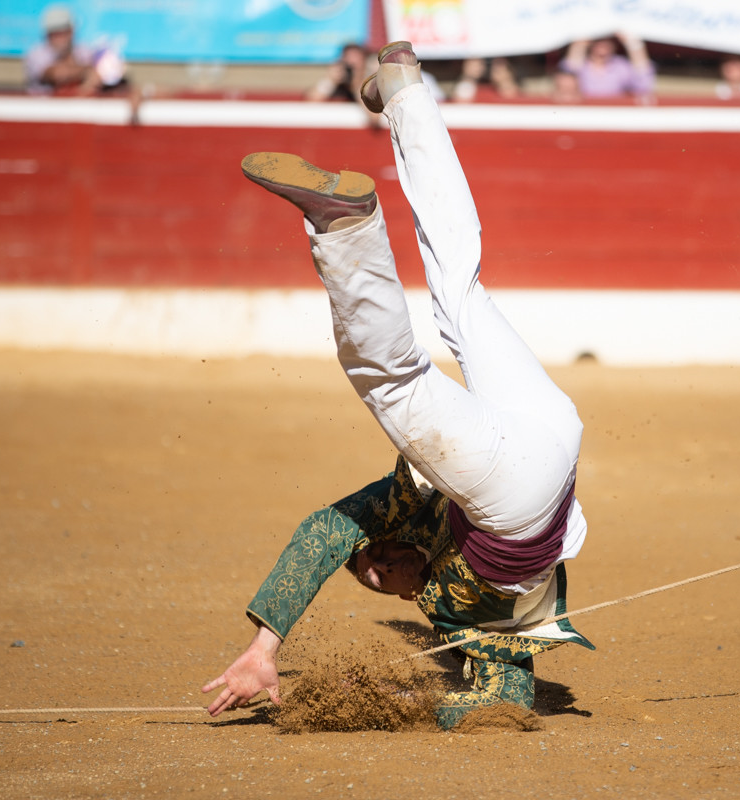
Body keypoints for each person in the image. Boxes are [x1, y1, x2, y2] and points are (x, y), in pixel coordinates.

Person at [202, 41, 592, 731]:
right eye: (375, 576)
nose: (378, 575)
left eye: (371, 565)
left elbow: (325, 531)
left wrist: (267, 648)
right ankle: (407, 90)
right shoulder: (429, 537)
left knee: (398, 373)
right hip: (547, 436)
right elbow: (504, 690)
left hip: (524, 481)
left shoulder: (422, 538)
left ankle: (350, 219)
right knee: (458, 287)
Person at [23, 4, 128, 96]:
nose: (60, 37)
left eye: (64, 31)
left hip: (77, 109)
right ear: (47, 34)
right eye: (54, 33)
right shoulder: (36, 53)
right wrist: (87, 71)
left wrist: (96, 76)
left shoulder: (82, 50)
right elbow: (57, 74)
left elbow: (111, 70)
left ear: (72, 31)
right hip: (43, 110)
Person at [559, 33, 655, 102]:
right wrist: (581, 40)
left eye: (607, 41)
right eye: (599, 40)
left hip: (613, 112)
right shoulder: (581, 64)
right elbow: (567, 76)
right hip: (585, 112)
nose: (603, 45)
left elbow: (644, 83)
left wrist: (633, 43)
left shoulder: (621, 66)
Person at [304, 42, 369, 102]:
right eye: (348, 66)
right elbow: (311, 101)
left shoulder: (371, 86)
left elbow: (373, 113)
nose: (350, 71)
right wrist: (330, 81)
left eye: (355, 66)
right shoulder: (337, 86)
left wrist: (357, 86)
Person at [452, 56, 520, 103]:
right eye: (492, 67)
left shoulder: (523, 94)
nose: (495, 68)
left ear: (510, 70)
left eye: (500, 64)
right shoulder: (482, 91)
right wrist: (469, 75)